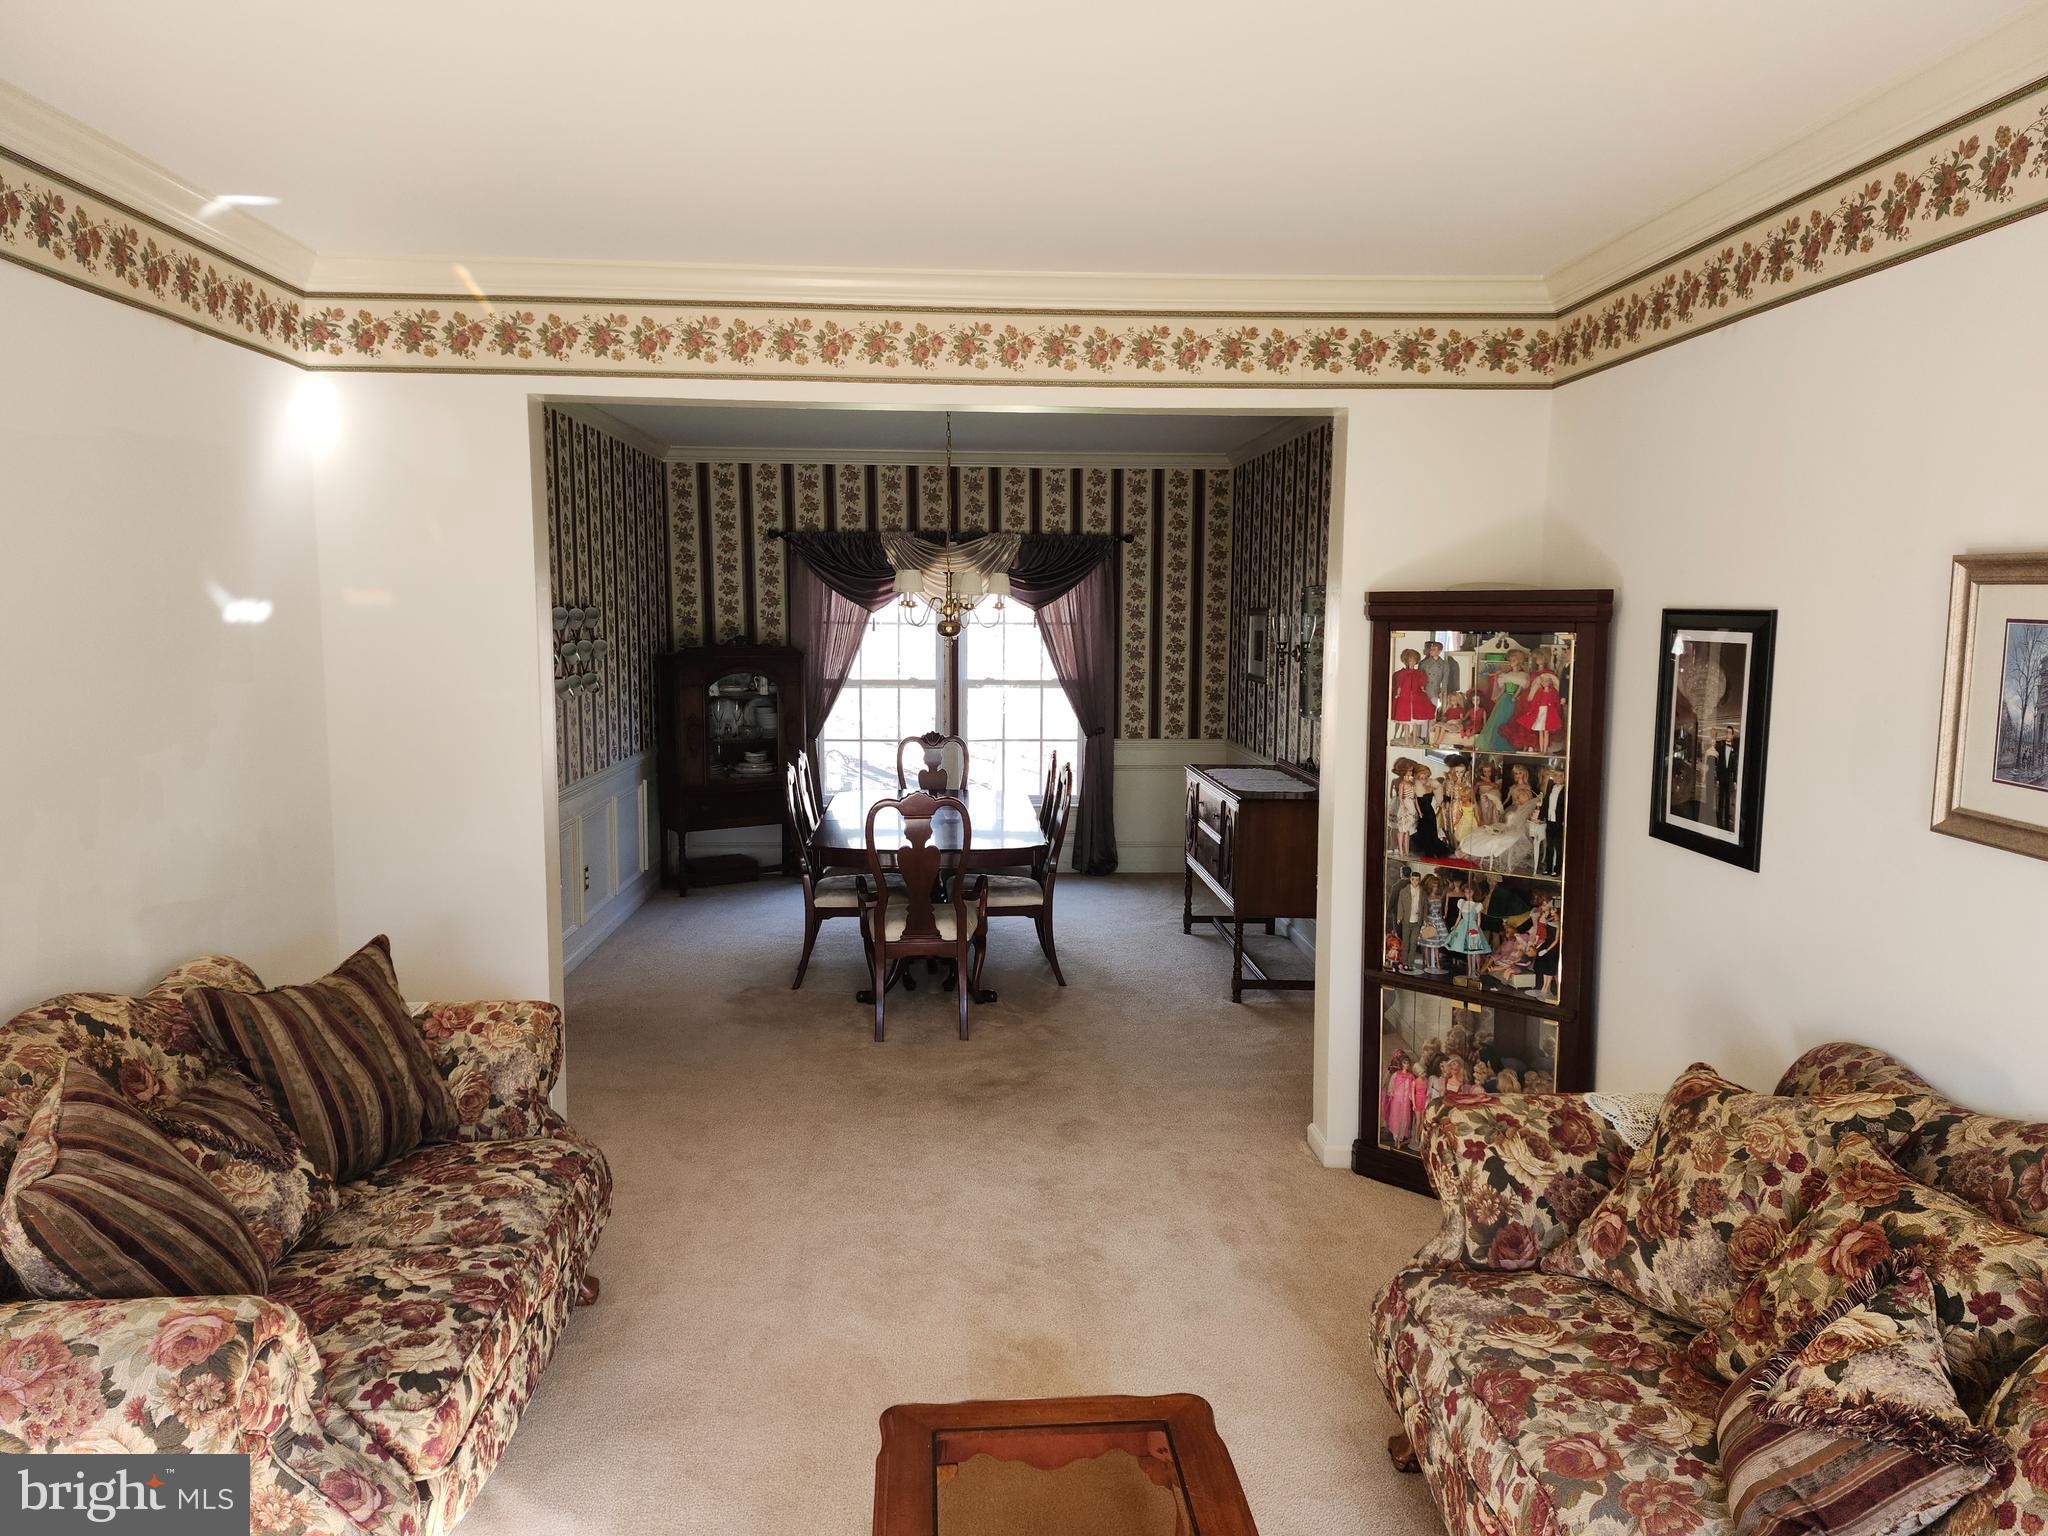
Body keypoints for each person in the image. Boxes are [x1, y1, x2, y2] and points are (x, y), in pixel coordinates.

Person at [1712, 727, 1740, 831]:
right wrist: (1717, 779)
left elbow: (1735, 767)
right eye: (1726, 732)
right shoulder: (1721, 747)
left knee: (1728, 801)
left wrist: (1735, 781)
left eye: (1729, 733)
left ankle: (1727, 825)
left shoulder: (1734, 749)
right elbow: (1718, 764)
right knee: (1720, 801)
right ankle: (1719, 822)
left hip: (1729, 779)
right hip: (1722, 778)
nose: (1727, 734)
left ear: (1732, 735)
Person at [1419, 640, 1460, 710]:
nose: (1431, 651)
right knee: (1424, 708)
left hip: (1436, 690)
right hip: (1425, 689)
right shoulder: (1424, 664)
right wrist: (1421, 688)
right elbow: (1420, 677)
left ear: (1439, 651)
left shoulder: (1444, 664)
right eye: (1431, 649)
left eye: (1434, 649)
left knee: (1434, 708)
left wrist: (1442, 691)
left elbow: (1445, 680)